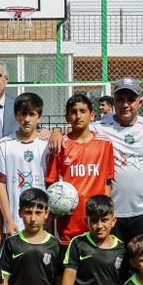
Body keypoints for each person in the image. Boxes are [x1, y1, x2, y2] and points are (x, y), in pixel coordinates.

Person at [88, 77, 143, 241]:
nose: (125, 104)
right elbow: (75, 135)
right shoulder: (99, 128)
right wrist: (54, 133)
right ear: (114, 102)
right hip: (112, 214)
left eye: (131, 99)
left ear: (140, 103)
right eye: (120, 99)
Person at [47, 93, 115, 246]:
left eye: (83, 111)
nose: (78, 116)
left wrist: (107, 212)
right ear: (67, 117)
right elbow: (51, 184)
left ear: (92, 116)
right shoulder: (60, 145)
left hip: (97, 221)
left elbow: (107, 182)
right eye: (73, 112)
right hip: (68, 223)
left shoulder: (105, 144)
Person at [0, 92, 49, 236]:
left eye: (32, 114)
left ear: (40, 117)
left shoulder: (47, 145)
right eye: (23, 114)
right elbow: (0, 185)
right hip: (15, 223)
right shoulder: (4, 145)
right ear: (16, 116)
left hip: (43, 222)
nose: (27, 119)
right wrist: (8, 220)